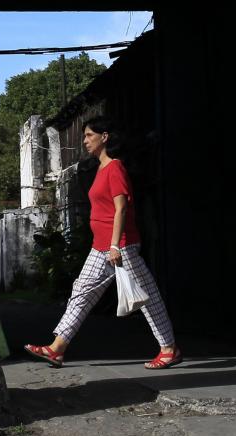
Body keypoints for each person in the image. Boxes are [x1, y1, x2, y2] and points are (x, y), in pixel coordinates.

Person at [24, 116, 180, 370]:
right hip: (101, 246)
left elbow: (121, 209)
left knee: (147, 297)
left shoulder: (115, 168)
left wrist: (116, 245)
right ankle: (57, 348)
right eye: (84, 135)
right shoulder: (100, 168)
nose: (85, 140)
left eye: (89, 135)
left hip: (121, 245)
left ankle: (169, 349)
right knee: (81, 291)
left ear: (104, 137)